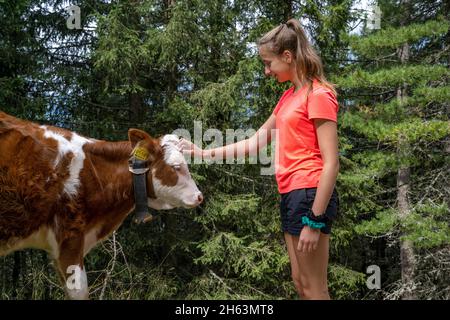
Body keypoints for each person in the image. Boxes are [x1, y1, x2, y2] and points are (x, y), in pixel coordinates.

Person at [178, 18, 339, 300]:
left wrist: (315, 220)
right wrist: (202, 153)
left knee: (315, 289)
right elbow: (255, 142)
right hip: (292, 194)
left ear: (287, 57)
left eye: (269, 63)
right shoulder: (288, 97)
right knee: (300, 283)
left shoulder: (319, 95)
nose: (266, 71)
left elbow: (331, 164)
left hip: (310, 194)